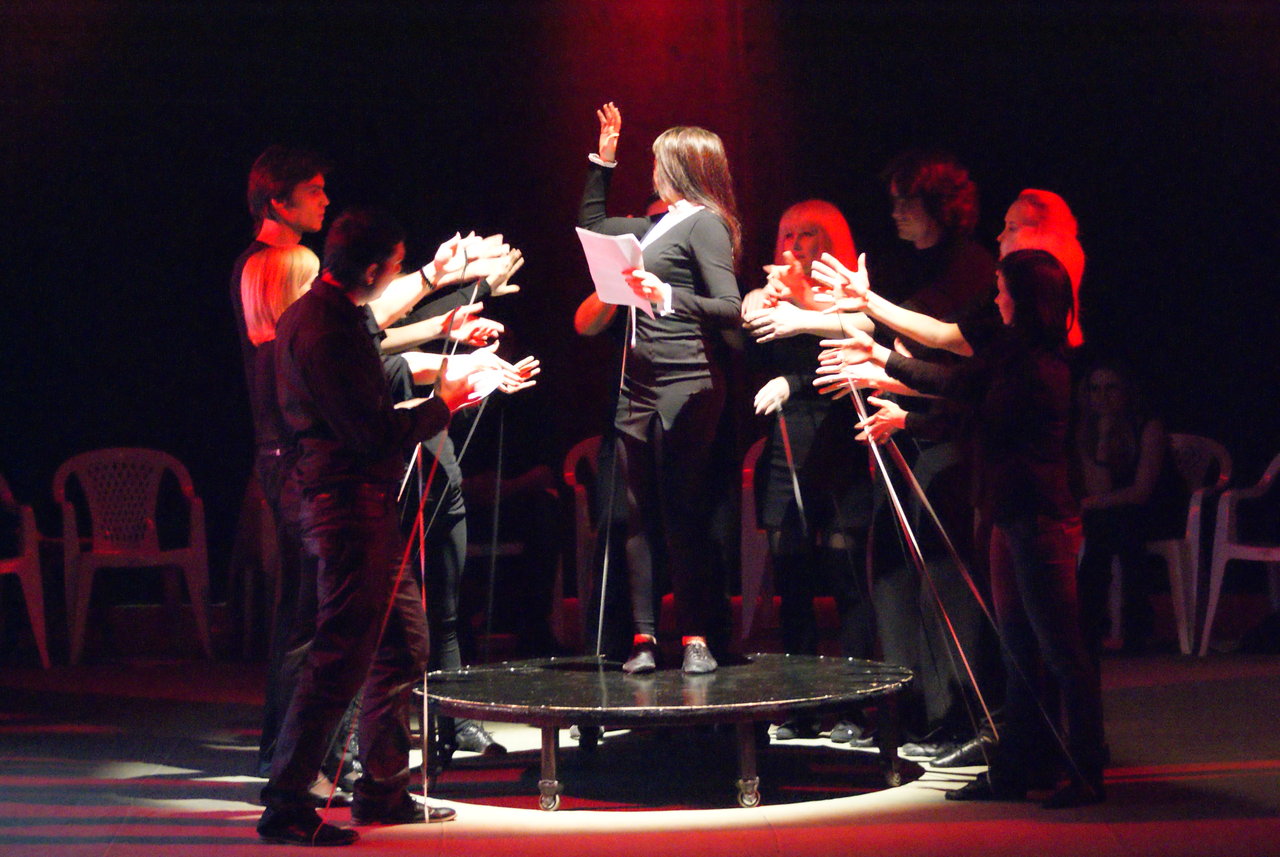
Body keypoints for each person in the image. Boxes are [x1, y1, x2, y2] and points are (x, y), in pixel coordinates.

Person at [815, 248, 1105, 808]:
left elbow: (963, 399)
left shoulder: (1039, 366)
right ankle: (1016, 770)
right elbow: (960, 394)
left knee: (1059, 650)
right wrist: (895, 389)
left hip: (1039, 520)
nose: (995, 299)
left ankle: (1086, 769)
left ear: (1026, 299)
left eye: (1002, 290)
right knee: (1019, 649)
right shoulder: (1010, 354)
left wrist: (887, 370)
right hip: (1008, 517)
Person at [256, 208, 488, 846]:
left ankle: (383, 790)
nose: (396, 273)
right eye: (395, 264)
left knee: (402, 645)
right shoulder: (324, 329)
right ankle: (286, 802)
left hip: (361, 504)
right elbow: (373, 433)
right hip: (345, 506)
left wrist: (442, 317)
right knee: (338, 658)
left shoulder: (331, 313)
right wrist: (445, 403)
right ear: (369, 270)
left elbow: (373, 383)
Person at [578, 102, 742, 674]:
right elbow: (592, 226)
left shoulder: (706, 223)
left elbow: (731, 308)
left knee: (680, 508)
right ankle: (644, 639)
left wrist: (667, 295)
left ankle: (695, 636)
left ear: (681, 166)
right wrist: (604, 159)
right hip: (638, 384)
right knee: (637, 512)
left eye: (657, 161)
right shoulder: (657, 225)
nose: (651, 171)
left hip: (685, 382)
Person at [858, 152, 997, 759]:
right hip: (901, 434)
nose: (895, 213)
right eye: (892, 201)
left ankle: (957, 711)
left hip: (948, 439)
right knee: (892, 577)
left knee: (945, 579)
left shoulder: (971, 269)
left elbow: (950, 358)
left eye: (906, 202)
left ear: (940, 206)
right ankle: (906, 707)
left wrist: (889, 374)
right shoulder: (899, 262)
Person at [741, 200, 875, 741]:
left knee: (846, 581)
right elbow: (748, 336)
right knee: (792, 583)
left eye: (808, 234)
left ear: (830, 240)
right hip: (785, 451)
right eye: (787, 233)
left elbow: (856, 344)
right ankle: (800, 705)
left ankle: (854, 708)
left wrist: (792, 382)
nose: (794, 244)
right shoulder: (773, 291)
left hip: (837, 445)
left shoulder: (845, 294)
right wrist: (755, 299)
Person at [1074, 361, 1184, 654]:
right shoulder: (1087, 430)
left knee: (1113, 523)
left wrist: (1090, 504)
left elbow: (1141, 492)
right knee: (1109, 525)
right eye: (1095, 389)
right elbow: (1100, 489)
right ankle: (1133, 626)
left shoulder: (1148, 426)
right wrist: (1103, 439)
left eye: (1111, 388)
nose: (1102, 397)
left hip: (1157, 509)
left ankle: (1091, 627)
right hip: (1116, 514)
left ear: (1126, 391)